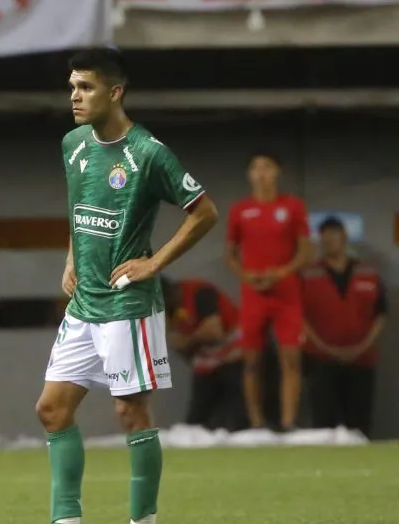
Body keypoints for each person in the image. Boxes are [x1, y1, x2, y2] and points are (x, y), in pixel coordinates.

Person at [7, 48, 218, 524]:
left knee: (130, 412)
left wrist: (154, 263)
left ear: (115, 92)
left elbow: (205, 212)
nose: (75, 97)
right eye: (72, 86)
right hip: (84, 303)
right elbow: (81, 207)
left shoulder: (147, 152)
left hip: (127, 305)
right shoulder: (74, 144)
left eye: (86, 87)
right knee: (52, 409)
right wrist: (71, 255)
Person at [225, 152, 311, 432]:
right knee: (251, 360)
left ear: (278, 172)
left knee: (291, 358)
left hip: (287, 294)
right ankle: (256, 422)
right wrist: (246, 276)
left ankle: (288, 420)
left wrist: (281, 273)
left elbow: (305, 250)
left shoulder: (293, 206)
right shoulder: (240, 210)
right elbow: (230, 254)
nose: (261, 173)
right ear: (249, 175)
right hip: (254, 294)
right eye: (255, 168)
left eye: (267, 167)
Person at [301, 217, 386, 438]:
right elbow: (300, 319)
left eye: (334, 234)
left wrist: (360, 348)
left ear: (344, 237)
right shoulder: (307, 275)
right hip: (320, 361)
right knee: (324, 425)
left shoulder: (369, 273)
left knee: (359, 425)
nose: (329, 240)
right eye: (325, 235)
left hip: (361, 360)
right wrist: (327, 349)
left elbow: (380, 315)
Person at [163, 277, 246, 432]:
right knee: (196, 420)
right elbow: (178, 343)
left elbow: (214, 331)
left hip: (234, 354)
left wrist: (187, 340)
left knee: (237, 416)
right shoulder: (171, 310)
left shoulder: (200, 294)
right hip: (207, 362)